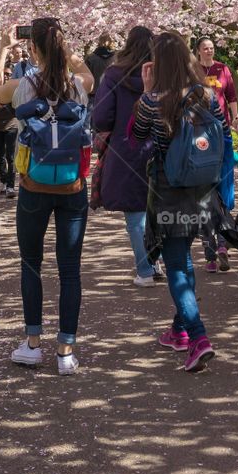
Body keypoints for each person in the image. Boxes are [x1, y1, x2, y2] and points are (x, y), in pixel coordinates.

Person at [0, 19, 94, 375]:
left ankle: (32, 344)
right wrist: (69, 54)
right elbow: (89, 77)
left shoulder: (24, 85)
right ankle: (65, 351)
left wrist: (3, 48)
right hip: (72, 188)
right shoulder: (78, 86)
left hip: (33, 186)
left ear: (33, 50)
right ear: (62, 48)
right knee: (70, 270)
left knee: (31, 262)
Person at [131, 30, 227, 372]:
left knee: (177, 265)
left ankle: (198, 337)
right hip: (201, 188)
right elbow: (223, 136)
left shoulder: (152, 100)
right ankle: (179, 330)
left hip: (168, 188)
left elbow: (138, 137)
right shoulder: (206, 94)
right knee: (184, 262)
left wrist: (145, 92)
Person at [91, 25, 163, 287]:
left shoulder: (113, 74)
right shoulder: (165, 75)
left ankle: (145, 270)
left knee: (135, 215)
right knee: (161, 210)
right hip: (161, 146)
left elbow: (101, 116)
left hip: (126, 147)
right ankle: (157, 261)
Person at [195, 37, 238, 273]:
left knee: (208, 194)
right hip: (205, 133)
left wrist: (235, 118)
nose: (209, 50)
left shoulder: (223, 69)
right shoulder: (193, 70)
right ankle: (220, 246)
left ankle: (214, 251)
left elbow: (231, 95)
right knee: (218, 191)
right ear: (198, 51)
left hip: (213, 133)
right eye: (205, 47)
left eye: (212, 47)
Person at [85, 33, 115, 97]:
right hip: (111, 93)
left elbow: (86, 76)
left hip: (94, 93)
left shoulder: (90, 58)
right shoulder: (116, 58)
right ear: (111, 42)